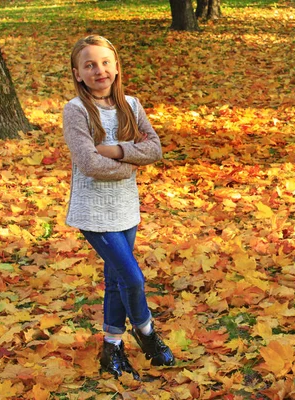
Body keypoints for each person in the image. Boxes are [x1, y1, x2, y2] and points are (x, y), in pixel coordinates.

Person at [62, 35, 175, 380]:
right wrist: (130, 164)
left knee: (115, 280)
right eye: (90, 64)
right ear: (78, 73)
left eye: (106, 62)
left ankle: (111, 348)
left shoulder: (131, 105)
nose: (100, 70)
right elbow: (88, 163)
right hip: (93, 212)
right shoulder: (76, 110)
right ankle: (146, 333)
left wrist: (115, 151)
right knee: (132, 278)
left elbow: (154, 149)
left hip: (127, 208)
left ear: (116, 67)